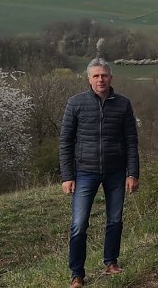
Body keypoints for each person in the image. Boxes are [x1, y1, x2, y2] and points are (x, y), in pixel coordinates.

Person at [59, 58, 140, 288]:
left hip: (116, 172)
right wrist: (67, 176)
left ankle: (111, 262)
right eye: (95, 76)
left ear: (111, 77)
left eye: (104, 75)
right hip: (84, 172)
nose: (100, 79)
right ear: (89, 79)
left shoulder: (123, 104)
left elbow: (131, 142)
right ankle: (77, 274)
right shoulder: (75, 103)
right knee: (79, 223)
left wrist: (132, 173)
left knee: (114, 220)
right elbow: (65, 142)